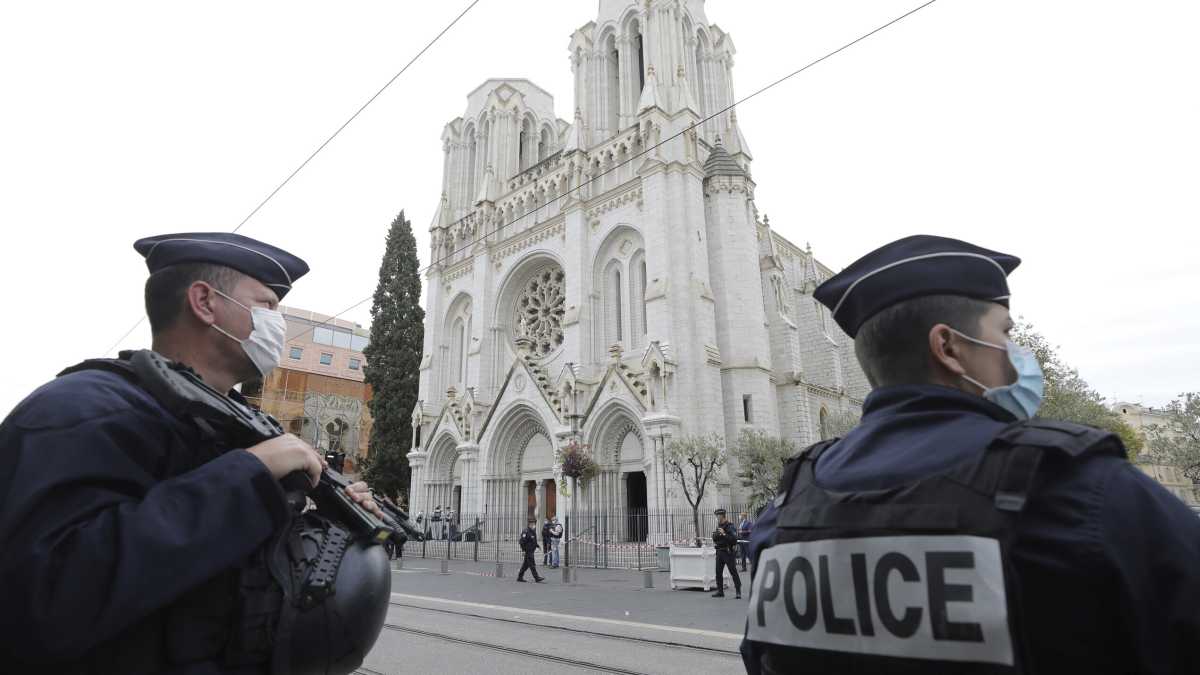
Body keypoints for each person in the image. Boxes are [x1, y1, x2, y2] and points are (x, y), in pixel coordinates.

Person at [741, 234, 1200, 674]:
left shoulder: (782, 515)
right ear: (948, 348)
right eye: (1004, 333)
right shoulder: (1086, 492)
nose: (1017, 354)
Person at [0, 232, 386, 673]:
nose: (278, 325)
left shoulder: (249, 429)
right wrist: (249, 476)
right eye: (267, 306)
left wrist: (337, 525)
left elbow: (253, 584)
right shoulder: (80, 410)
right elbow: (44, 599)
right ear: (205, 302)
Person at [711, 508, 742, 599]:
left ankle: (738, 591)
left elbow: (734, 540)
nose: (717, 517)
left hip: (728, 551)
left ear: (721, 516)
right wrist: (718, 535)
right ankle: (720, 591)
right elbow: (715, 538)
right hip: (719, 551)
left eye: (718, 516)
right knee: (718, 572)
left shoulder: (730, 526)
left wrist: (724, 534)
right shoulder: (719, 526)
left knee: (733, 571)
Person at [517, 518, 546, 583]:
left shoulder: (533, 531)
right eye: (532, 524)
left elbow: (533, 541)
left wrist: (537, 546)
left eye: (534, 524)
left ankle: (519, 577)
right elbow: (522, 542)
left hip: (531, 550)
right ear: (529, 524)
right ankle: (536, 577)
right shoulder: (526, 531)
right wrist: (523, 550)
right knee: (532, 565)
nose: (534, 525)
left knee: (525, 565)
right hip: (528, 551)